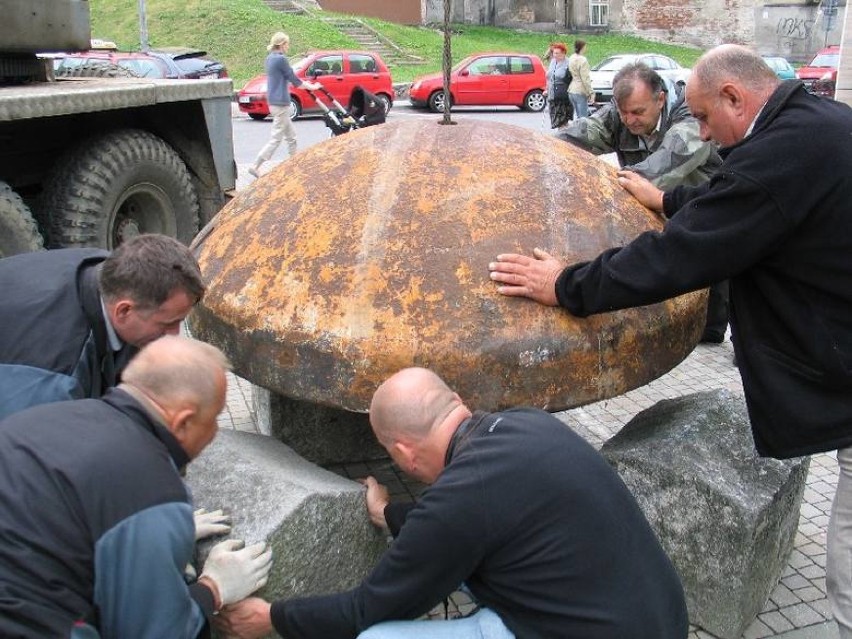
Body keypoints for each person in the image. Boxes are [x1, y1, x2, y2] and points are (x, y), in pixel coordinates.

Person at [488, 44, 852, 637]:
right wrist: (674, 199)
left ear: (735, 96)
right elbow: (750, 200)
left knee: (849, 574)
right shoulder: (818, 123)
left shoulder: (779, 154)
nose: (703, 134)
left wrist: (567, 285)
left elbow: (680, 258)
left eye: (706, 118)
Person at [217, 367, 688, 639]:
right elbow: (457, 523)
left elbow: (365, 609)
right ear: (456, 402)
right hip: (661, 620)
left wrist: (272, 617)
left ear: (401, 451)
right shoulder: (525, 423)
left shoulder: (460, 500)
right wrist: (387, 514)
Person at [0, 335, 273, 638]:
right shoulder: (153, 491)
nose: (215, 431)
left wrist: (147, 535)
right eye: (213, 419)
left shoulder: (37, 419)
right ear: (183, 421)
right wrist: (213, 589)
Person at [555, 61, 728, 342]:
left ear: (660, 99)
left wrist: (602, 188)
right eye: (623, 113)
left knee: (713, 275)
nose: (629, 120)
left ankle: (713, 331)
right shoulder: (620, 117)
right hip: (658, 211)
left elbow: (662, 167)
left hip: (699, 204)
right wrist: (538, 150)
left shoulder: (690, 116)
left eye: (637, 112)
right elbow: (579, 136)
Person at [0, 233, 206, 421]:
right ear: (123, 311)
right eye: (168, 324)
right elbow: (29, 454)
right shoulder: (55, 377)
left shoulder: (112, 274)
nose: (175, 335)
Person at [248, 32, 321, 178]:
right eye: (287, 44)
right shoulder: (281, 59)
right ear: (281, 44)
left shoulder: (269, 58)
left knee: (291, 137)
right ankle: (255, 166)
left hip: (274, 102)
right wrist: (313, 87)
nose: (289, 46)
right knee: (276, 137)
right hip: (281, 103)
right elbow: (295, 80)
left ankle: (294, 164)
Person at [545, 42, 573, 129]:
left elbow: (573, 79)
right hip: (553, 95)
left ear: (564, 53)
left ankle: (564, 139)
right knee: (556, 121)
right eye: (554, 53)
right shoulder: (553, 62)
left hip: (563, 96)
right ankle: (564, 137)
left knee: (562, 121)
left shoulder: (569, 63)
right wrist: (547, 89)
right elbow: (550, 77)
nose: (555, 55)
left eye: (557, 53)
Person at [567, 39, 594, 119]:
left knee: (578, 117)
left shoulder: (571, 57)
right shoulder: (583, 60)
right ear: (582, 47)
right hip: (580, 90)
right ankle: (582, 131)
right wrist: (591, 92)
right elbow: (585, 78)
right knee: (583, 118)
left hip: (571, 89)